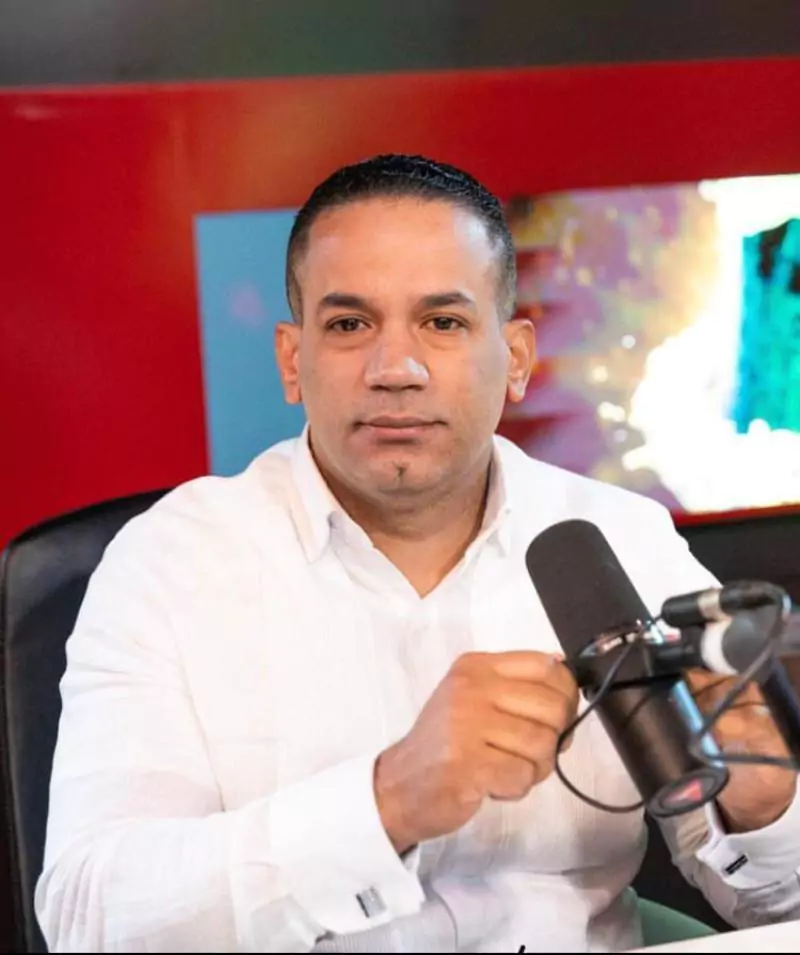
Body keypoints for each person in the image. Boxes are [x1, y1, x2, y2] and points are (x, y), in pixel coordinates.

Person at [36, 154, 800, 953]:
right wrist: (385, 800)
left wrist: (765, 809)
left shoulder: (622, 538)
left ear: (517, 359)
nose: (394, 370)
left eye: (442, 323)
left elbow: (775, 902)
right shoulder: (171, 561)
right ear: (292, 361)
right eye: (349, 325)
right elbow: (90, 918)